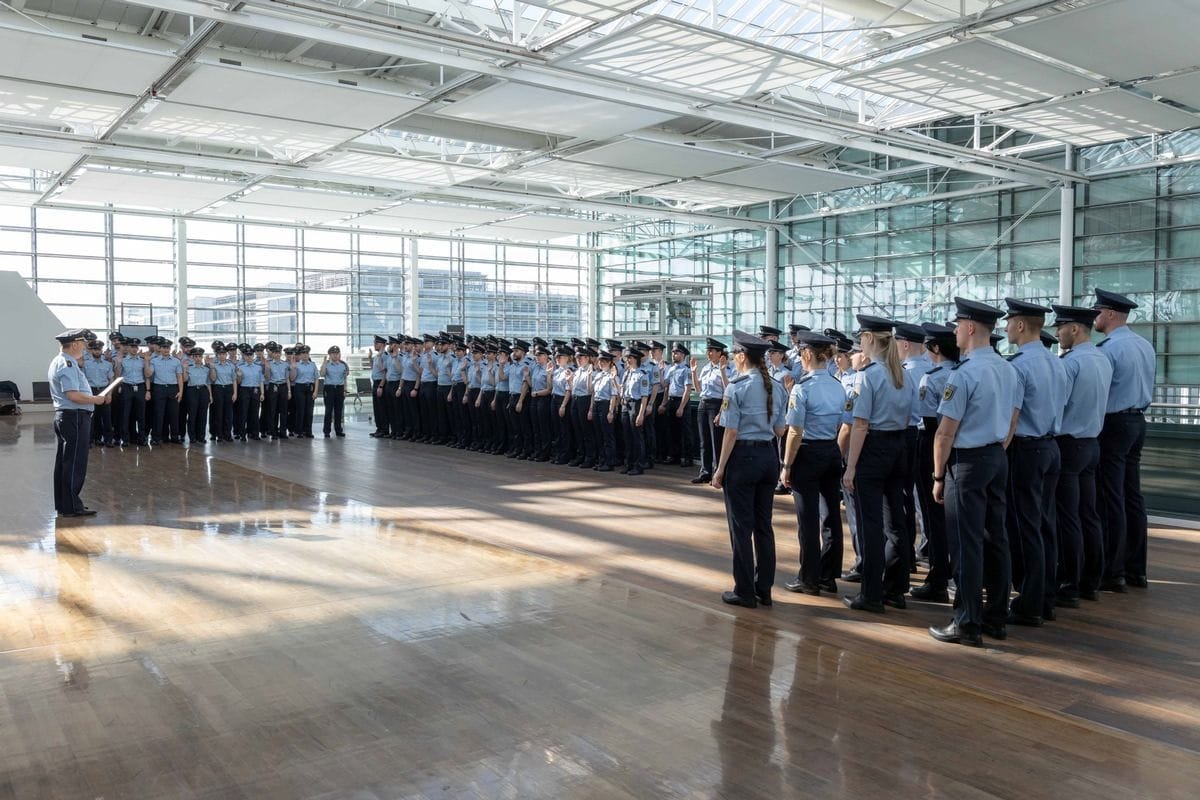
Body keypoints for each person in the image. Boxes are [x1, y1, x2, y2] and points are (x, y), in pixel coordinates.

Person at [928, 297, 1020, 647]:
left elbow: (945, 432)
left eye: (956, 325)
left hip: (967, 462)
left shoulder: (963, 374)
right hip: (997, 456)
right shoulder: (1008, 369)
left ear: (969, 328)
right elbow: (1013, 419)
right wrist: (996, 448)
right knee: (996, 538)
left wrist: (938, 476)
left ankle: (966, 621)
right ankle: (996, 616)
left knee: (966, 543)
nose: (953, 331)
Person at [841, 316, 912, 613]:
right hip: (898, 446)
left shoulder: (867, 376)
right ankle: (895, 588)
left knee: (870, 524)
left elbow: (860, 424)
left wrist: (851, 467)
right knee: (896, 521)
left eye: (861, 336)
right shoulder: (902, 374)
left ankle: (870, 594)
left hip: (873, 449)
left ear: (870, 338)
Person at [712, 330, 787, 608]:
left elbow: (730, 432)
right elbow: (781, 429)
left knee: (741, 528)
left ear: (743, 356)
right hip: (768, 457)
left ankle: (744, 591)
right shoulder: (777, 386)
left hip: (743, 458)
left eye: (734, 354)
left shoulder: (736, 387)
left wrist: (720, 470)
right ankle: (763, 589)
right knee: (763, 527)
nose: (733, 358)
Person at [1002, 298, 1063, 627]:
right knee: (1045, 525)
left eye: (1009, 322)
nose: (1006, 328)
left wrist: (999, 454)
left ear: (1021, 325)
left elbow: (1011, 420)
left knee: (1025, 529)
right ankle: (1045, 597)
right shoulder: (1057, 362)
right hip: (1052, 447)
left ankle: (1029, 604)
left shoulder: (1019, 365)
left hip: (1026, 449)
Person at [1093, 288, 1156, 591]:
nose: (1096, 316)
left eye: (1098, 311)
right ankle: (1136, 569)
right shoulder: (1145, 345)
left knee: (1111, 496)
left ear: (1111, 314)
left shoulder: (1109, 350)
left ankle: (1113, 571)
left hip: (1114, 423)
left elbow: (1099, 394)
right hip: (1137, 422)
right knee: (1133, 496)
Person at [1050, 304, 1112, 607]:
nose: (1057, 333)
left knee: (1067, 517)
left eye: (1060, 327)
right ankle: (1091, 582)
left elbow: (1057, 405)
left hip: (1069, 445)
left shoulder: (1069, 364)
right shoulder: (1103, 359)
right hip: (1091, 444)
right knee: (1089, 514)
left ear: (1074, 329)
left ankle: (1069, 584)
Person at [780, 331, 845, 595]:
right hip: (831, 450)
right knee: (831, 515)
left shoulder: (802, 388)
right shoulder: (837, 385)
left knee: (807, 519)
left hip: (807, 453)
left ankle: (808, 577)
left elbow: (794, 431)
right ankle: (828, 575)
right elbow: (843, 423)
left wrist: (786, 465)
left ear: (807, 355)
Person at [910, 323, 959, 603]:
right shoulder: (960, 371)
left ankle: (939, 577)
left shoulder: (932, 378)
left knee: (933, 518)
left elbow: (929, 423)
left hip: (932, 446)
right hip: (960, 447)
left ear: (936, 349)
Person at [48, 329, 110, 517]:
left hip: (68, 416)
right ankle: (71, 506)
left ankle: (65, 504)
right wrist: (95, 400)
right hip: (73, 416)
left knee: (66, 462)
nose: (85, 347)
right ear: (74, 344)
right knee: (74, 462)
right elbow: (73, 395)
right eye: (83, 343)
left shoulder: (62, 362)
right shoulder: (67, 364)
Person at [692, 338, 730, 484]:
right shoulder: (706, 367)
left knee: (716, 441)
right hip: (703, 403)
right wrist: (694, 373)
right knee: (704, 440)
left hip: (716, 404)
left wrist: (721, 412)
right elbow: (699, 388)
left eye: (711, 351)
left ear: (720, 353)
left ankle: (717, 472)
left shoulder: (727, 368)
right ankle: (705, 471)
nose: (708, 353)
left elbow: (728, 391)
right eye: (708, 351)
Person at [114, 337, 151, 447]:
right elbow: (117, 376)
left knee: (141, 415)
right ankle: (125, 439)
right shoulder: (123, 360)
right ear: (128, 348)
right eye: (132, 346)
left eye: (136, 347)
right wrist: (119, 363)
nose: (134, 349)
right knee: (125, 414)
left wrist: (148, 391)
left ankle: (142, 438)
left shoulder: (142, 360)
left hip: (140, 387)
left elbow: (147, 375)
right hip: (127, 387)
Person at [620, 348, 651, 476]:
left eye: (630, 358)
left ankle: (638, 465)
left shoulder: (642, 374)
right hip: (626, 404)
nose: (628, 360)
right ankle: (629, 463)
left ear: (636, 359)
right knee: (627, 436)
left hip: (636, 404)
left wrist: (641, 414)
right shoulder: (627, 373)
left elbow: (644, 396)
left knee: (636, 436)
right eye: (627, 358)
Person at [662, 343, 694, 468]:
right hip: (671, 400)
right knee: (672, 430)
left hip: (681, 401)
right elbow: (666, 386)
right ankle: (674, 455)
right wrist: (664, 403)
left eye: (677, 353)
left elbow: (687, 389)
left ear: (683, 355)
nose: (674, 355)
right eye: (673, 352)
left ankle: (687, 457)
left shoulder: (686, 370)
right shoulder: (671, 369)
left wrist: (681, 406)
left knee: (685, 432)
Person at [81, 339, 115, 447]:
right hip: (90, 390)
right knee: (92, 416)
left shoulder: (107, 364)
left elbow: (111, 380)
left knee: (107, 417)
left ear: (102, 350)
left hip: (104, 390)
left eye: (99, 349)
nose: (97, 351)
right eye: (95, 349)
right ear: (91, 350)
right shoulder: (85, 364)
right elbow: (82, 380)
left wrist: (109, 394)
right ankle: (91, 439)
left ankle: (108, 440)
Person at [590, 350, 620, 472]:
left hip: (606, 405)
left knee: (608, 435)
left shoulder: (612, 377)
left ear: (610, 363)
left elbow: (614, 395)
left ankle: (609, 461)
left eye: (605, 361)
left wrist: (611, 411)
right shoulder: (598, 375)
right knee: (599, 435)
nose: (601, 363)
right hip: (597, 404)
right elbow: (593, 393)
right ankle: (602, 460)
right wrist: (591, 408)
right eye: (600, 361)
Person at [149, 339, 184, 444]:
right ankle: (156, 438)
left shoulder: (176, 361)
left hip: (173, 389)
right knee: (158, 414)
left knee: (174, 414)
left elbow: (179, 378)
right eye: (164, 347)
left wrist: (181, 392)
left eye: (168, 348)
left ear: (170, 349)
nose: (166, 350)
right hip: (159, 389)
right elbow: (149, 375)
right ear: (160, 349)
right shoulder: (154, 360)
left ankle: (174, 437)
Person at [569, 347, 597, 468]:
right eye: (577, 358)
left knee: (587, 431)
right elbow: (573, 388)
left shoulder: (592, 372)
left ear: (587, 358)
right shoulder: (577, 371)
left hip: (585, 400)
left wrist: (591, 408)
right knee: (577, 430)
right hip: (575, 400)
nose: (579, 360)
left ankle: (590, 457)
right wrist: (569, 380)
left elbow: (592, 392)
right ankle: (580, 455)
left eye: (581, 357)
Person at [183, 347, 214, 445]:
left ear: (202, 357)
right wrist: (184, 369)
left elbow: (208, 383)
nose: (197, 358)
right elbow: (185, 379)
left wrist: (210, 395)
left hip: (203, 391)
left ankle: (201, 436)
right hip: (192, 391)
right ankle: (192, 437)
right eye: (195, 356)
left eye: (199, 356)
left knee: (203, 415)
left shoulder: (206, 368)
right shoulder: (189, 367)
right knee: (192, 415)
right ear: (192, 357)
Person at [235, 344, 264, 441]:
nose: (249, 357)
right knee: (243, 413)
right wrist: (239, 376)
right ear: (244, 356)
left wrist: (262, 393)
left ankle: (255, 433)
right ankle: (242, 434)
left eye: (251, 355)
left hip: (255, 390)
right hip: (244, 390)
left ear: (253, 355)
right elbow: (238, 382)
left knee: (255, 413)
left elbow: (261, 381)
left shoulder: (258, 367)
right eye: (247, 355)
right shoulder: (240, 366)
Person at [210, 344, 238, 442]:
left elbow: (234, 380)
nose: (222, 356)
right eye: (220, 354)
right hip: (218, 389)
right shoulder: (214, 365)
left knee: (228, 414)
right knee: (219, 413)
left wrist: (235, 393)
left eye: (223, 354)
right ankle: (219, 435)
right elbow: (213, 379)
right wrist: (212, 368)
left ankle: (228, 434)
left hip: (229, 389)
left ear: (226, 355)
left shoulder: (231, 366)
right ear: (217, 355)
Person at [321, 346, 349, 437]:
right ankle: (327, 431)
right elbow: (322, 374)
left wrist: (345, 389)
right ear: (329, 355)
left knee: (338, 410)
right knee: (328, 410)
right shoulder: (327, 364)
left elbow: (344, 378)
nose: (335, 355)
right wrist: (324, 363)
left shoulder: (343, 365)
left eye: (337, 353)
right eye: (333, 354)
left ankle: (338, 430)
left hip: (339, 388)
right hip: (329, 388)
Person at [292, 345, 318, 438]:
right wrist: (293, 368)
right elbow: (292, 378)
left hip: (310, 388)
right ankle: (299, 431)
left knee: (309, 411)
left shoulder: (313, 364)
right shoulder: (297, 364)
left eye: (307, 353)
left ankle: (308, 431)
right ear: (300, 355)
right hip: (299, 388)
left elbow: (316, 379)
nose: (305, 355)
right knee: (300, 410)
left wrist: (315, 391)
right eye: (303, 353)